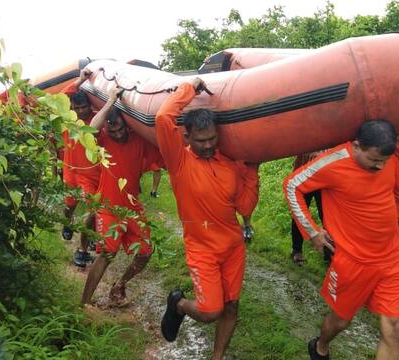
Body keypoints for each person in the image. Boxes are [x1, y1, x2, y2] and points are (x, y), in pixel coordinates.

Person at [284, 120, 399, 360]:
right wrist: (312, 231)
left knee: (395, 327)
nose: (379, 167)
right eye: (374, 161)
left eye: (383, 162)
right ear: (356, 146)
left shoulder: (387, 159)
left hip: (392, 260)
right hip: (352, 263)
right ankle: (320, 346)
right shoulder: (333, 162)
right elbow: (292, 185)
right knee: (341, 321)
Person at [156, 78, 259, 360]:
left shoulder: (229, 165)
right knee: (210, 310)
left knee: (232, 306)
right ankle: (178, 306)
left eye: (213, 138)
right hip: (202, 248)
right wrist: (189, 88)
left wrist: (252, 170)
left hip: (233, 247)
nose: (209, 145)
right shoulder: (178, 162)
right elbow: (163, 117)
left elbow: (245, 206)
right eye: (201, 140)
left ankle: (217, 357)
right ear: (186, 137)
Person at [80, 87, 164, 307]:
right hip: (108, 206)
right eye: (112, 129)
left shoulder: (139, 139)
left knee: (145, 253)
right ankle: (84, 303)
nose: (117, 134)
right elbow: (90, 129)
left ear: (127, 124)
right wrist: (110, 102)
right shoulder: (104, 139)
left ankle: (120, 285)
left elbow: (162, 141)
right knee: (107, 253)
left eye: (120, 129)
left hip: (132, 207)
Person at [60, 69, 100, 267]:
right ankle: (67, 223)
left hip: (90, 176)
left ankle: (82, 250)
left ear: (89, 105)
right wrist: (80, 80)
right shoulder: (68, 120)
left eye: (84, 107)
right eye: (77, 107)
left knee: (94, 211)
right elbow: (61, 97)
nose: (81, 111)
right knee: (70, 206)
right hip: (70, 171)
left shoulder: (95, 120)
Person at [289, 150, 330, 266]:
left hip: (325, 178)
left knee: (327, 215)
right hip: (304, 175)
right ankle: (296, 250)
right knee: (300, 212)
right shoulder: (307, 133)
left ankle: (329, 254)